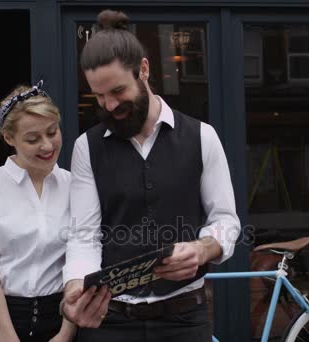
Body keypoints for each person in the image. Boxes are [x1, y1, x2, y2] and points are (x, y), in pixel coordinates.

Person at [60, 10, 241, 342]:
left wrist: (203, 249)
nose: (109, 106)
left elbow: (226, 220)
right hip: (110, 322)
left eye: (117, 92)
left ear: (143, 69)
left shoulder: (203, 137)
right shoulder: (86, 147)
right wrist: (75, 284)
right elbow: (84, 235)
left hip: (185, 320)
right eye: (99, 97)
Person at [0, 81, 76, 342]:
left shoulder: (75, 186)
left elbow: (80, 265)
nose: (47, 146)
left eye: (53, 132)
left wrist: (67, 333)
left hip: (60, 320)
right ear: (8, 138)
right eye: (33, 139)